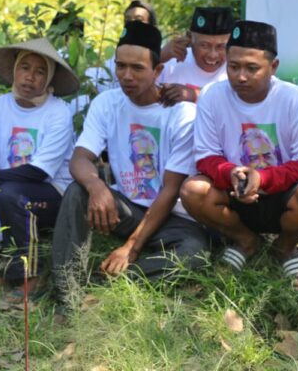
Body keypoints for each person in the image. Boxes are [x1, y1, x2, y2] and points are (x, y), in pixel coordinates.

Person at [52, 20, 208, 295]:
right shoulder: (107, 103)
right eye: (120, 65)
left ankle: (105, 286)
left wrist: (131, 248)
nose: (126, 75)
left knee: (195, 252)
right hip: (126, 210)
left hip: (172, 217)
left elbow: (171, 191)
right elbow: (79, 157)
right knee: (78, 191)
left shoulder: (181, 114)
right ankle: (68, 290)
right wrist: (97, 187)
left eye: (137, 68)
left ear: (157, 70)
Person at [179, 21, 298, 288]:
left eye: (252, 68)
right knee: (192, 191)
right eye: (234, 66)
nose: (240, 76)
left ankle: (284, 248)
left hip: (284, 196)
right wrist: (231, 173)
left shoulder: (296, 100)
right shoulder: (212, 96)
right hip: (234, 195)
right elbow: (205, 156)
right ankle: (246, 241)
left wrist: (261, 178)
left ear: (273, 67)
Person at [0, 38, 77, 290]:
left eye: (40, 71)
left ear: (49, 79)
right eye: (25, 67)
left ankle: (28, 275)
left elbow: (39, 171)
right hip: (4, 188)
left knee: (10, 194)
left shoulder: (59, 112)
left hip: (53, 192)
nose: (30, 77)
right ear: (14, 70)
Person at [88, 0, 188, 93]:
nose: (132, 25)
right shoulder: (116, 57)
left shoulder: (170, 54)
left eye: (139, 20)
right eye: (128, 21)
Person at [159, 7, 235, 106]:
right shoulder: (170, 62)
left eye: (221, 47)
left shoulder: (236, 69)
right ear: (190, 37)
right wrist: (158, 58)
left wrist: (194, 94)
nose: (212, 55)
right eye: (204, 45)